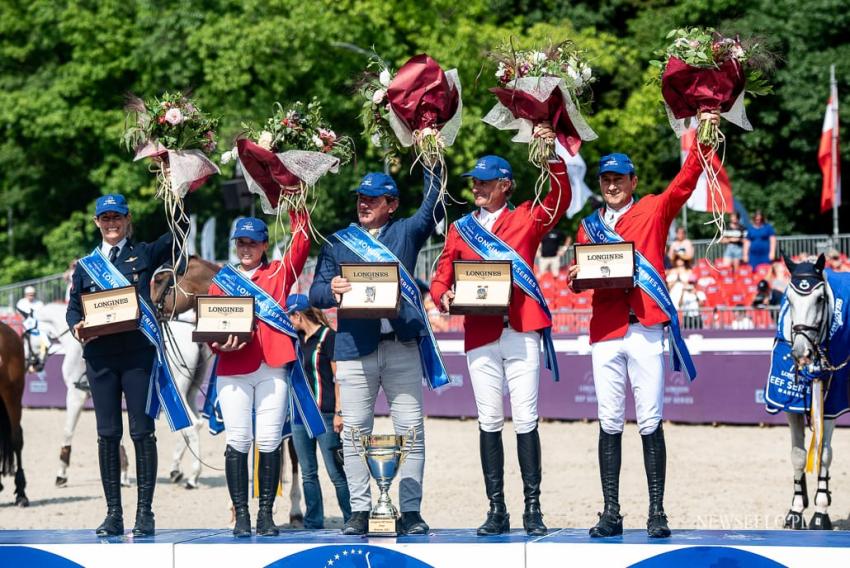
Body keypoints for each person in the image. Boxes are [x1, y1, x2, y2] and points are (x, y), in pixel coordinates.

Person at [568, 111, 718, 540]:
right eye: (605, 180)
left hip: (645, 328)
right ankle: (611, 512)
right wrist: (575, 279)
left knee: (650, 419)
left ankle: (656, 512)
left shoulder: (653, 209)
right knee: (609, 420)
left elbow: (685, 181)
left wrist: (703, 137)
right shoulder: (588, 226)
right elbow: (578, 276)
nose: (612, 185)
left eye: (619, 178)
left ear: (633, 181)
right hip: (606, 332)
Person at [430, 125, 569, 537]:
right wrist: (444, 296)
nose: (477, 188)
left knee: (526, 417)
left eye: (485, 182)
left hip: (521, 329)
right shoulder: (460, 229)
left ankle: (532, 508)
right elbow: (440, 277)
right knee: (489, 419)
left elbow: (560, 198)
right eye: (474, 182)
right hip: (480, 333)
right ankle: (496, 509)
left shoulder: (526, 217)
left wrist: (549, 150)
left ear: (505, 186)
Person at [310, 163, 445, 536]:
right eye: (361, 199)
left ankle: (412, 511)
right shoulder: (338, 241)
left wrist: (429, 154)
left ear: (392, 204)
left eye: (372, 199)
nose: (364, 205)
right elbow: (316, 293)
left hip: (400, 345)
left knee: (411, 430)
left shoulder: (407, 232)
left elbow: (432, 206)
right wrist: (332, 287)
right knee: (354, 432)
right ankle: (360, 509)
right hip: (355, 347)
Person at [65, 194, 182, 537]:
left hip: (136, 355)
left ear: (128, 219)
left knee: (142, 432)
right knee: (107, 435)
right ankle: (113, 513)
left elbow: (179, 233)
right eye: (105, 218)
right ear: (96, 222)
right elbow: (74, 308)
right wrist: (75, 325)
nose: (111, 223)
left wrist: (177, 187)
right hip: (100, 358)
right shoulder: (87, 265)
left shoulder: (144, 253)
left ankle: (144, 513)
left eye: (117, 217)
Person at [207, 213, 310, 537]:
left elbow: (303, 242)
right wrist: (218, 341)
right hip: (233, 367)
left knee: (268, 440)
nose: (246, 248)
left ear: (265, 245)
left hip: (272, 366)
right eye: (241, 242)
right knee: (237, 440)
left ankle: (266, 514)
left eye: (252, 242)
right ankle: (241, 516)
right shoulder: (221, 280)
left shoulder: (279, 272)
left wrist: (296, 203)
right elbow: (211, 326)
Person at [285, 293, 351, 530]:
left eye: (289, 317)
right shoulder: (295, 341)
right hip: (300, 416)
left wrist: (339, 411)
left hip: (324, 414)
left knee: (336, 472)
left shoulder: (328, 337)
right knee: (308, 473)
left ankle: (352, 517)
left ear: (298, 315)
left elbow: (338, 377)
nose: (289, 322)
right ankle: (314, 521)